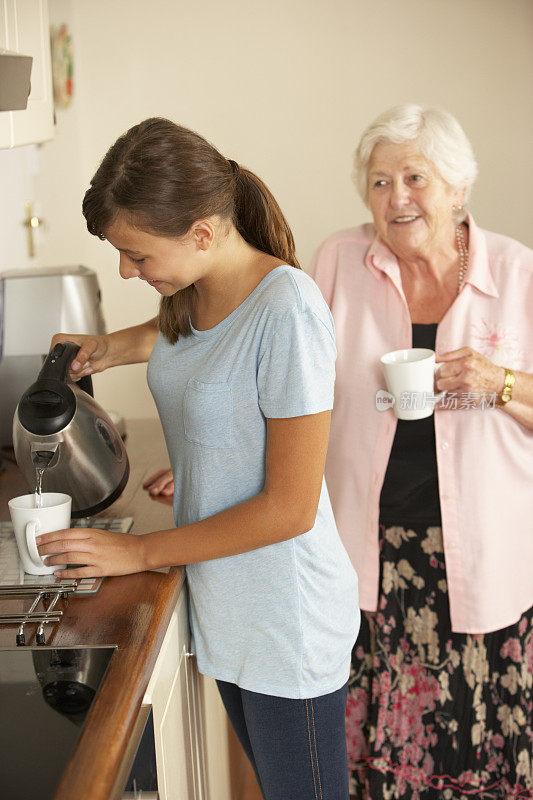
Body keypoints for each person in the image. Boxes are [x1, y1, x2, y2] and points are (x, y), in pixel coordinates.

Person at [39, 117, 359, 800]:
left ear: (203, 233)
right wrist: (109, 346)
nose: (126, 269)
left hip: (284, 616)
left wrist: (141, 554)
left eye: (138, 255)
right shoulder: (195, 293)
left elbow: (290, 508)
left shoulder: (287, 312)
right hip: (232, 602)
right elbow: (193, 342)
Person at [311, 105, 533, 799]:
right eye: (378, 182)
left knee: (483, 749)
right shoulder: (339, 261)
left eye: (415, 177)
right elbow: (287, 381)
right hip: (370, 555)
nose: (395, 197)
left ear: (458, 187)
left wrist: (496, 382)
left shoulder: (517, 273)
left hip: (487, 557)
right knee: (381, 751)